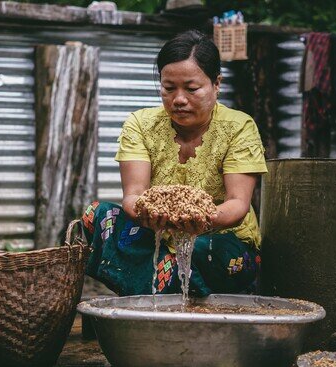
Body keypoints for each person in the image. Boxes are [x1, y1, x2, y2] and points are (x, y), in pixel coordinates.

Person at [81, 30, 267, 297]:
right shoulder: (141, 124)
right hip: (154, 230)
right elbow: (134, 195)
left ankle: (148, 285)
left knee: (204, 250)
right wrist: (151, 214)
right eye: (169, 89)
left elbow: (238, 203)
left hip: (218, 237)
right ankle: (163, 281)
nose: (179, 99)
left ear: (216, 84)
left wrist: (203, 220)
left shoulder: (239, 127)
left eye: (191, 89)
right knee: (98, 215)